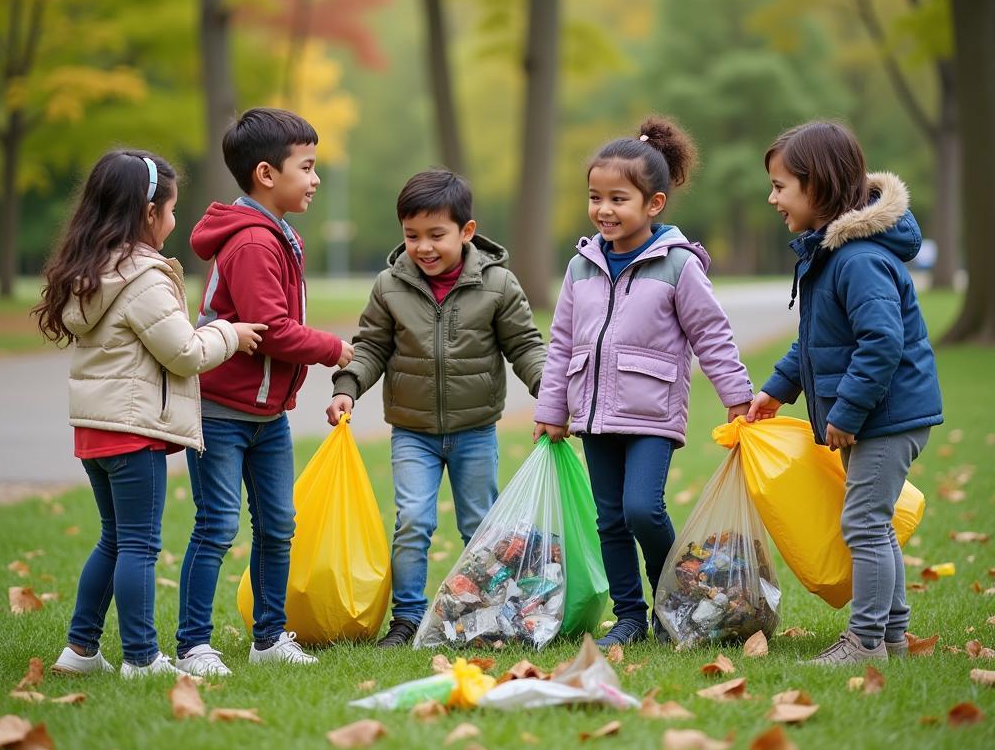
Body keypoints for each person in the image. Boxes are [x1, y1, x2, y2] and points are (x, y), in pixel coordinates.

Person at [33, 150, 264, 678]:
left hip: (95, 429)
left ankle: (81, 649)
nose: (174, 220)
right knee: (139, 542)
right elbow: (184, 352)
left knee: (113, 538)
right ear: (148, 212)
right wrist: (231, 332)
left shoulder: (92, 269)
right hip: (132, 430)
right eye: (172, 208)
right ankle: (141, 658)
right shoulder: (144, 277)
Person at [534, 116, 753, 649]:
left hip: (651, 412)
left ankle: (673, 600)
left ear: (653, 204)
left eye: (617, 199)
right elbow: (562, 341)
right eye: (595, 197)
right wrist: (551, 406)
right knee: (609, 520)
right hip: (591, 413)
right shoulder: (581, 266)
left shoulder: (677, 265)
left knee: (642, 510)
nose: (604, 210)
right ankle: (630, 617)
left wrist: (738, 397)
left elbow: (711, 333)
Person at [748, 120, 942, 665]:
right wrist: (778, 390)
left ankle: (864, 643)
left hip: (887, 414)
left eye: (781, 186)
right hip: (876, 412)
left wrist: (850, 411)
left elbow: (881, 342)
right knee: (871, 523)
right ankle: (894, 637)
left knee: (863, 524)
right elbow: (820, 342)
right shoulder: (833, 253)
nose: (773, 198)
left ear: (819, 185)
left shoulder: (858, 259)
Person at [326, 170, 547, 647]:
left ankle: (482, 613)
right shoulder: (390, 286)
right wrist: (347, 386)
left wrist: (550, 393)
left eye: (436, 235)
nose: (423, 247)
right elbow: (369, 348)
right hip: (412, 432)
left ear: (466, 232)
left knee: (479, 525)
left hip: (475, 430)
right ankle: (406, 618)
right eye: (411, 236)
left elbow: (526, 346)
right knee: (413, 521)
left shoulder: (498, 284)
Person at [176, 107, 353, 675]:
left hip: (266, 414)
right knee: (218, 524)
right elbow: (270, 330)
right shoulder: (253, 241)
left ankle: (270, 637)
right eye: (307, 166)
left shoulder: (277, 233)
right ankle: (194, 644)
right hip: (222, 410)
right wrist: (333, 349)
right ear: (266, 174)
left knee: (279, 524)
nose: (316, 178)